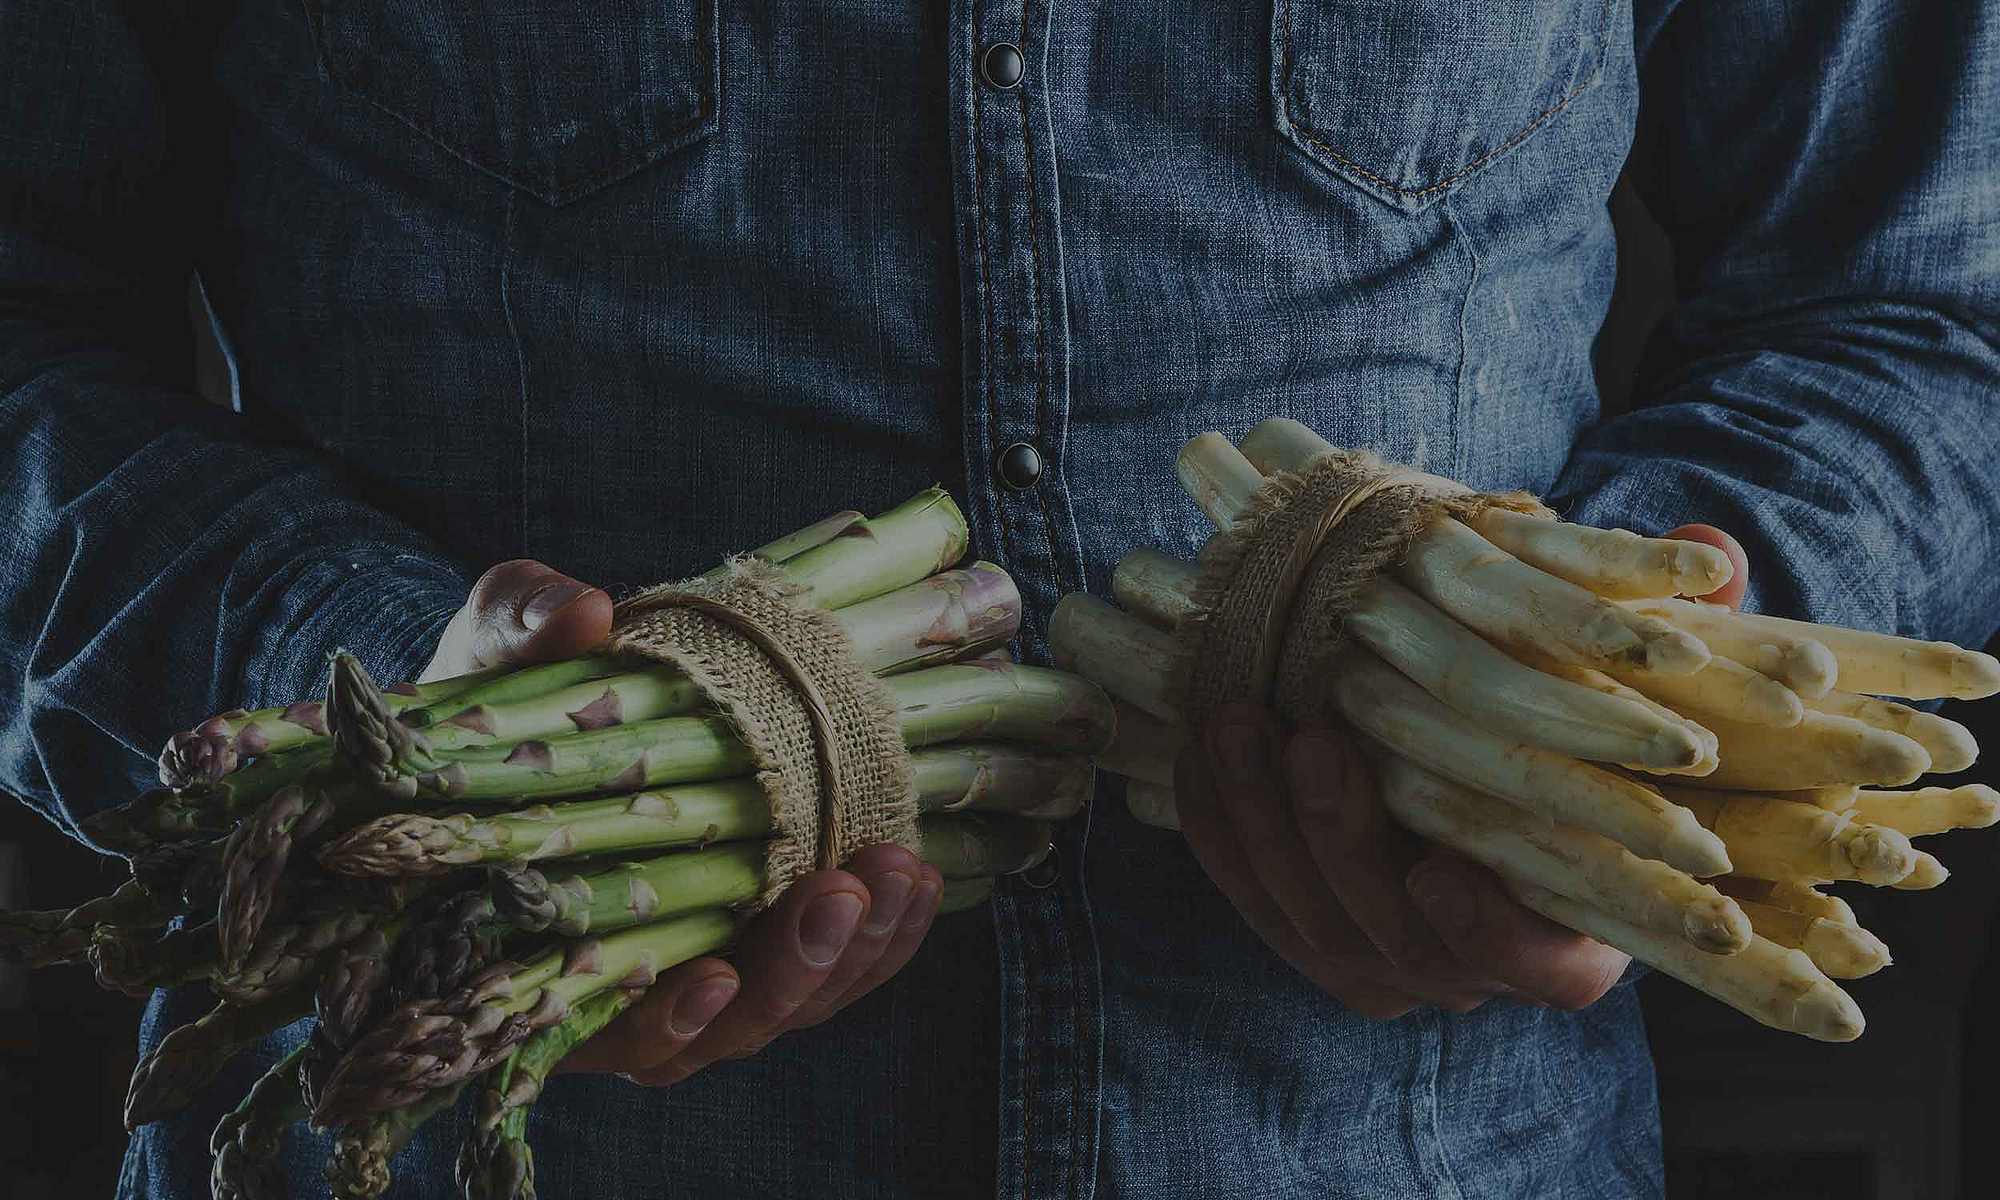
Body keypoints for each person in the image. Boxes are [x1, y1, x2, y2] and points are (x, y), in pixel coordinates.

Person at [4, 3, 1996, 1197]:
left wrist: (1678, 663)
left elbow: (1926, 296)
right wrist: (372, 729)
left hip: (1413, 1150)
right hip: (467, 1110)